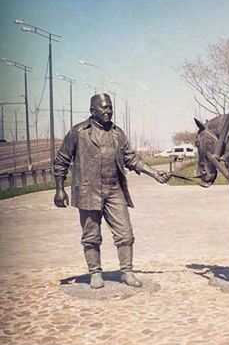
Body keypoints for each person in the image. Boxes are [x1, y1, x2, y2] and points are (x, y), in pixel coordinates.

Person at [53, 93, 171, 289]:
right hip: (88, 191)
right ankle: (95, 273)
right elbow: (62, 160)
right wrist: (59, 190)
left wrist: (154, 173)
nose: (108, 111)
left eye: (110, 107)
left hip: (114, 190)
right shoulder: (79, 132)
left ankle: (126, 271)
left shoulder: (117, 133)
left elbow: (131, 158)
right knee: (91, 236)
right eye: (104, 108)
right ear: (93, 111)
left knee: (126, 234)